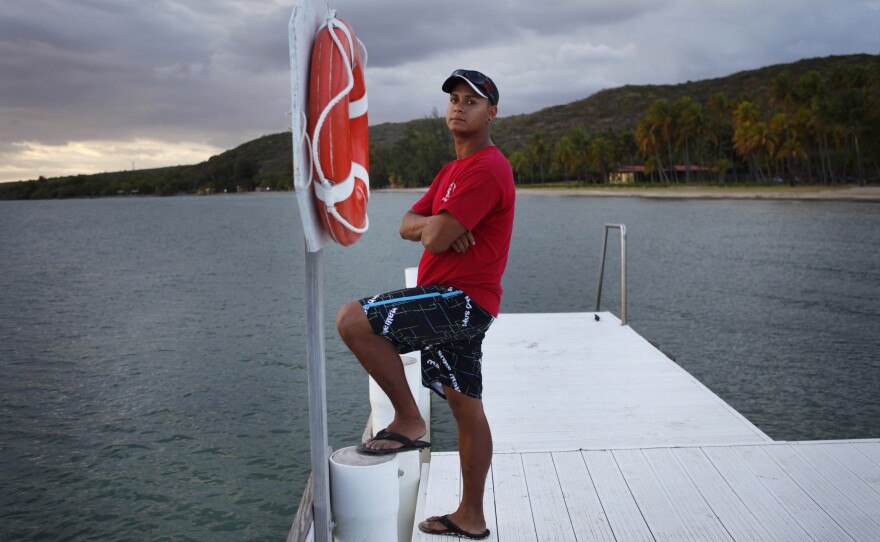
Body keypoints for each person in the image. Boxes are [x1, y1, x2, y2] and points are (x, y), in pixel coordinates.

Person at [335, 69, 514, 540]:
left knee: (353, 320)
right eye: (454, 99)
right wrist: (438, 223)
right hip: (464, 302)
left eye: (471, 101)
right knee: (465, 406)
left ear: (492, 112)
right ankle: (471, 517)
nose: (459, 106)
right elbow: (407, 224)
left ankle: (409, 419)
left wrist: (435, 228)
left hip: (461, 299)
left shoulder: (488, 168)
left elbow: (432, 237)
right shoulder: (450, 171)